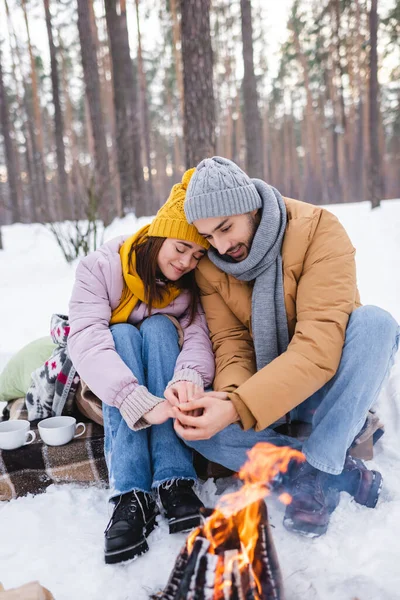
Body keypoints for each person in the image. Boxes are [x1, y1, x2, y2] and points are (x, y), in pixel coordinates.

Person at [170, 156, 399, 538]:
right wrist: (227, 399)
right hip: (268, 392)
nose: (222, 246)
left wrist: (237, 406)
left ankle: (320, 461)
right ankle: (323, 469)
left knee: (376, 323)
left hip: (330, 390)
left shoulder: (318, 229)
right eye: (208, 237)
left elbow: (320, 346)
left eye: (226, 228)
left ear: (251, 205)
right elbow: (232, 346)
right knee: (201, 430)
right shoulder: (212, 265)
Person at [68, 170, 214, 564]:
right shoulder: (100, 267)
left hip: (163, 371)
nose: (187, 262)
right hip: (107, 381)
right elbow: (85, 339)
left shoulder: (190, 286)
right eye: (182, 248)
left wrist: (188, 378)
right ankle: (131, 494)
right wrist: (133, 398)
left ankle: (174, 480)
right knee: (123, 335)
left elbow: (199, 337)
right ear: (158, 234)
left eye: (198, 255)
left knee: (159, 328)